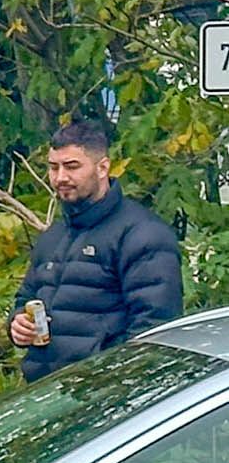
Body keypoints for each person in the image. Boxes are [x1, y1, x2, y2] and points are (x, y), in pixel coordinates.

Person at [10, 119, 182, 381]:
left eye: (72, 166)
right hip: (45, 395)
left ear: (103, 167)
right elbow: (26, 298)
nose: (60, 177)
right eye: (53, 167)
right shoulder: (54, 235)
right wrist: (18, 324)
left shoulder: (142, 234)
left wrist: (104, 380)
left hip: (106, 398)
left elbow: (155, 330)